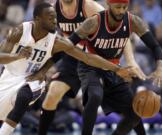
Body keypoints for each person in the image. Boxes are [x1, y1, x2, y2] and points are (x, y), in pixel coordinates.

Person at [0, 3, 136, 135]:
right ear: (37, 19)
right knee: (5, 113)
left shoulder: (58, 40)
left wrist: (117, 68)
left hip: (35, 78)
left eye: (55, 18)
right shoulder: (20, 31)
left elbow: (88, 57)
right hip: (9, 76)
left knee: (25, 95)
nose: (55, 21)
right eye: (50, 18)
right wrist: (17, 56)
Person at [38, 0, 146, 134]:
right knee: (52, 94)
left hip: (98, 57)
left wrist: (131, 61)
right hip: (74, 56)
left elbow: (121, 33)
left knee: (127, 104)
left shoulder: (89, 7)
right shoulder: (53, 10)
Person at [68, 0, 162, 134]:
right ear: (108, 4)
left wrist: (160, 68)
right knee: (95, 95)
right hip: (90, 66)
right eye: (117, 7)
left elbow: (155, 46)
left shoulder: (133, 21)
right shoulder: (94, 22)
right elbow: (68, 44)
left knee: (135, 113)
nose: (121, 11)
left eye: (124, 7)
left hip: (114, 69)